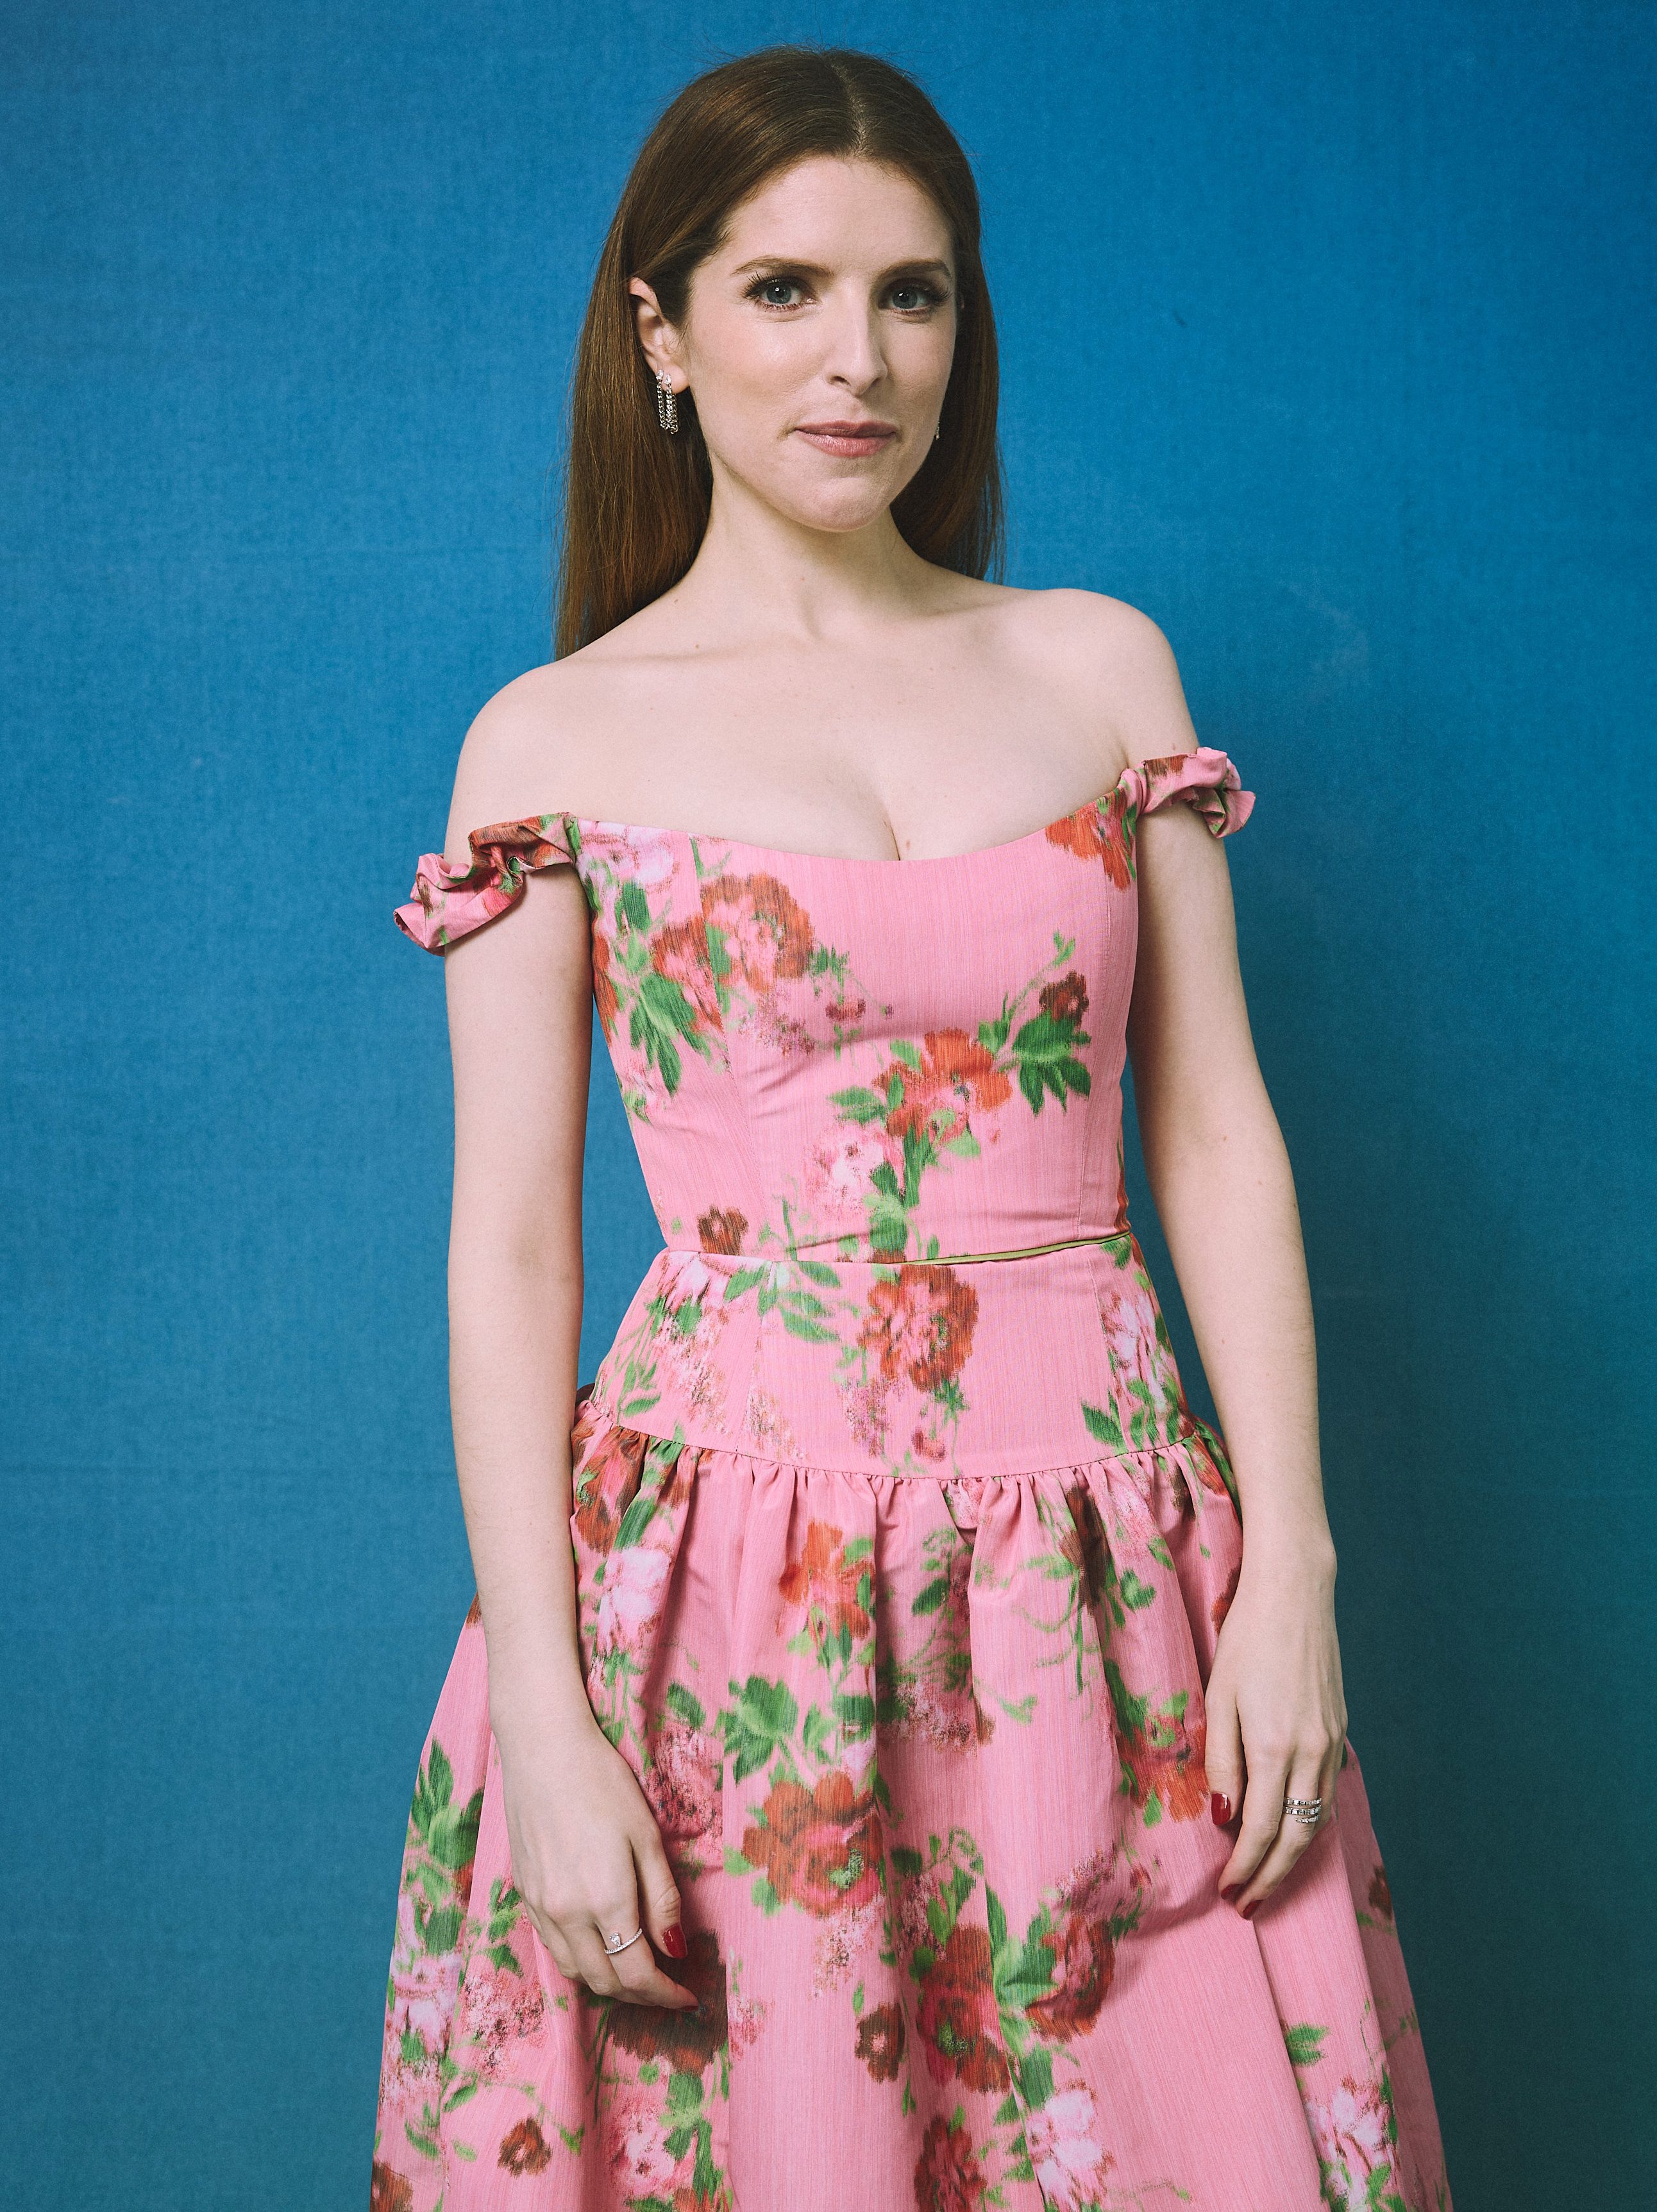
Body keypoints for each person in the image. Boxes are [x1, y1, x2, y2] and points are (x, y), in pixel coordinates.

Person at [372, 43, 1452, 2212]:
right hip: (728, 1591)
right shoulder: (553, 738)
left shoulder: (1099, 671)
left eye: (913, 293)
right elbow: (512, 1246)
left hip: (1111, 1561)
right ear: (663, 334)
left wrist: (1295, 1568)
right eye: (784, 290)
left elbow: (1216, 1134)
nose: (857, 360)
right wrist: (551, 1721)